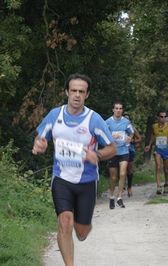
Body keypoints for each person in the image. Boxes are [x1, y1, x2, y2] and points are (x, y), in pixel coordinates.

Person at [32, 73, 116, 266]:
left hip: (86, 181)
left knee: (81, 232)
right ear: (66, 92)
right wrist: (40, 145)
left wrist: (98, 155)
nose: (77, 95)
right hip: (61, 178)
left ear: (87, 95)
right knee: (64, 222)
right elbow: (40, 138)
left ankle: (84, 224)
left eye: (81, 91)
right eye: (73, 91)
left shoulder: (94, 120)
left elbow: (113, 148)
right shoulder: (55, 115)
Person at [106, 102, 134, 209]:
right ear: (113, 110)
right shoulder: (107, 122)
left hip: (124, 151)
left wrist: (129, 138)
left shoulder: (126, 122)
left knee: (123, 174)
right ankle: (111, 196)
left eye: (120, 108)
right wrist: (112, 137)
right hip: (112, 152)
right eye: (116, 108)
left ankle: (119, 197)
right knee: (113, 177)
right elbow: (103, 134)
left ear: (122, 110)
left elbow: (131, 132)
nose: (118, 110)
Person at [144, 110, 168, 194]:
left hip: (166, 150)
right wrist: (149, 145)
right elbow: (153, 136)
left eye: (165, 117)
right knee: (158, 167)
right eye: (161, 117)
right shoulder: (154, 126)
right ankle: (158, 186)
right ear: (158, 117)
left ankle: (166, 184)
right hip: (157, 150)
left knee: (166, 169)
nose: (163, 118)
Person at [123, 112, 142, 197]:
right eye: (125, 118)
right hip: (121, 150)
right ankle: (122, 187)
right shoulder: (118, 129)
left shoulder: (133, 129)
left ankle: (129, 187)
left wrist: (133, 141)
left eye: (128, 119)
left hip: (130, 150)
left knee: (129, 169)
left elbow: (139, 139)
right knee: (122, 168)